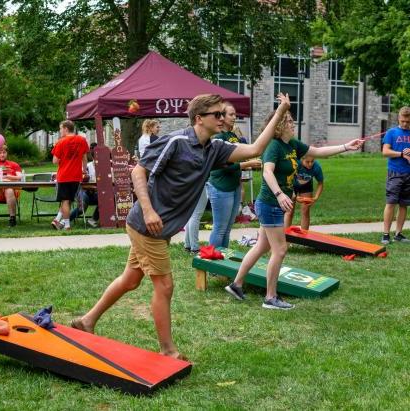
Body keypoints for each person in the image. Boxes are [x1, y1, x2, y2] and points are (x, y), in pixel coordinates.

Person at [70, 93, 292, 360]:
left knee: (130, 280)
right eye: (217, 115)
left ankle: (87, 321)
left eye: (224, 114)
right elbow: (138, 171)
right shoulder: (175, 141)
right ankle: (168, 351)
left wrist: (279, 113)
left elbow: (255, 149)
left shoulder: (214, 148)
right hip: (146, 225)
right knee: (164, 286)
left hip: (161, 229)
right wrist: (149, 211)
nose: (223, 119)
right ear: (199, 118)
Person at [225, 111, 363, 310]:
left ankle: (236, 285)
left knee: (262, 247)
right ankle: (270, 298)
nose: (293, 123)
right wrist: (281, 194)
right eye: (288, 121)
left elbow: (316, 151)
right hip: (271, 203)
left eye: (291, 120)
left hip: (274, 204)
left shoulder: (292, 145)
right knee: (280, 249)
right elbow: (267, 171)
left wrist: (346, 146)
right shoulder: (273, 146)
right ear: (278, 126)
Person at [207, 102, 262, 248]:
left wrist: (248, 162)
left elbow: (237, 158)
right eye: (231, 114)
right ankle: (210, 262)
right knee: (220, 229)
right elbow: (221, 167)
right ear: (222, 117)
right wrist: (247, 165)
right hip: (220, 187)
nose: (234, 117)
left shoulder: (232, 135)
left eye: (235, 114)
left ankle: (221, 260)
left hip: (234, 186)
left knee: (227, 228)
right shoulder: (218, 137)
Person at [51, 120, 89, 231]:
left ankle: (67, 226)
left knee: (65, 201)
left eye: (60, 128)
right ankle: (58, 221)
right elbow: (85, 158)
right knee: (69, 200)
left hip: (63, 176)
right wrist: (84, 170)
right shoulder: (82, 140)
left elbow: (54, 161)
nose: (60, 131)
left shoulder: (61, 142)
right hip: (76, 176)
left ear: (66, 129)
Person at [381, 106, 410, 244]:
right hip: (395, 172)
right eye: (403, 121)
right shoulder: (392, 132)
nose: (405, 124)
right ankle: (386, 234)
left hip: (408, 173)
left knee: (404, 204)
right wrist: (401, 154)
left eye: (408, 121)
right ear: (399, 118)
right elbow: (385, 152)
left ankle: (398, 234)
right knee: (391, 202)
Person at [283, 155, 324, 230]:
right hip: (291, 185)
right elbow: (285, 180)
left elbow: (320, 183)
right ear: (301, 159)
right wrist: (294, 196)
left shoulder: (316, 167)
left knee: (305, 211)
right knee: (289, 211)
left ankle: (304, 237)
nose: (310, 164)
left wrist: (316, 197)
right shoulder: (295, 164)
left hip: (306, 186)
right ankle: (286, 237)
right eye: (307, 162)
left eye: (312, 161)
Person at [0, 144, 22, 227]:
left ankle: (12, 219)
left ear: (7, 153)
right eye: (0, 153)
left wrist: (8, 177)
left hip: (12, 191)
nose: (2, 154)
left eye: (4, 152)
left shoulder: (14, 164)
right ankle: (12, 218)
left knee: (9, 189)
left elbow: (20, 177)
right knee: (7, 187)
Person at [69, 144, 99, 227]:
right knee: (81, 207)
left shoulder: (106, 168)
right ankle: (65, 221)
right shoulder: (87, 167)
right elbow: (80, 183)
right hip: (84, 191)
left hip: (96, 193)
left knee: (106, 199)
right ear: (93, 157)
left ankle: (93, 219)